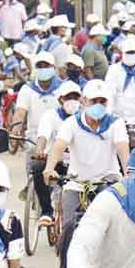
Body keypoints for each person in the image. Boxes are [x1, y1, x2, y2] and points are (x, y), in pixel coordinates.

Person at [43, 80, 129, 268]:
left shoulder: (115, 124)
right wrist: (50, 167)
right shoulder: (71, 124)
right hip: (76, 183)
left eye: (103, 101)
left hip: (107, 182)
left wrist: (129, 174)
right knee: (70, 226)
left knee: (117, 225)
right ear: (83, 102)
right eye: (94, 101)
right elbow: (59, 146)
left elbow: (123, 150)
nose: (98, 105)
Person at [32, 81, 81, 226]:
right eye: (68, 97)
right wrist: (39, 151)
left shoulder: (84, 118)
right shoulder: (50, 116)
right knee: (37, 168)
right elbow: (43, 136)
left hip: (77, 164)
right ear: (61, 99)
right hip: (54, 162)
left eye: (75, 97)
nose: (72, 101)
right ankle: (46, 212)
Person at [11, 51, 62, 142]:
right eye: (40, 66)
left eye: (46, 66)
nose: (43, 69)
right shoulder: (27, 89)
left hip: (58, 140)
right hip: (33, 140)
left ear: (53, 68)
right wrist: (15, 131)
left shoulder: (63, 88)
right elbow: (20, 112)